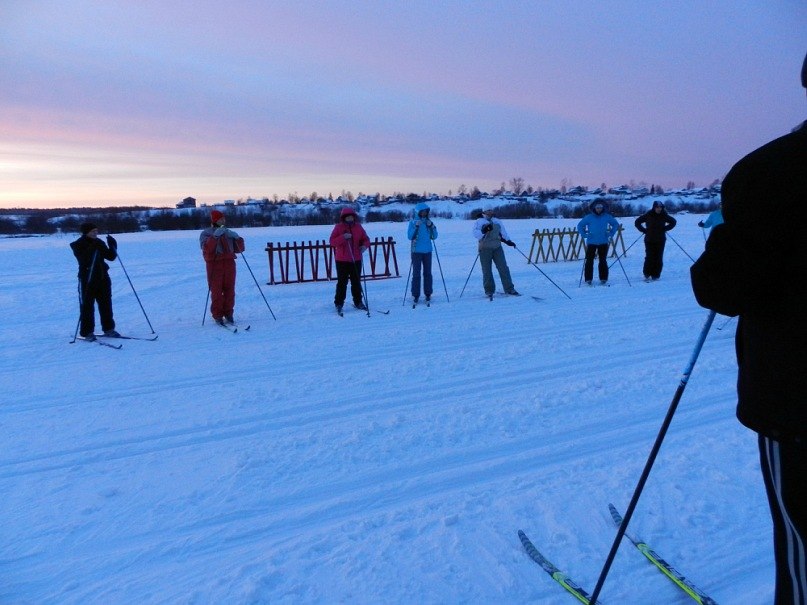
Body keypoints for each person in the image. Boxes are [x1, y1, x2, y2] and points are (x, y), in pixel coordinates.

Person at [690, 52, 807, 605]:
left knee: (804, 537)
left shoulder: (772, 171)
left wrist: (725, 237)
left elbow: (722, 288)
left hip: (797, 400)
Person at [70, 222, 120, 340]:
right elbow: (84, 259)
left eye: (96, 231)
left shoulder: (99, 242)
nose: (95, 233)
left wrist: (113, 246)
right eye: (93, 231)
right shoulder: (77, 244)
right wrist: (93, 246)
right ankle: (87, 332)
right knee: (87, 306)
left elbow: (110, 257)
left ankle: (109, 329)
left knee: (106, 304)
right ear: (86, 232)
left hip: (103, 278)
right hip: (88, 279)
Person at [200, 210, 244, 326]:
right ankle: (218, 315)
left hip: (229, 263)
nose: (223, 221)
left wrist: (237, 238)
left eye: (224, 219)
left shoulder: (227, 232)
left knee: (230, 291)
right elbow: (207, 249)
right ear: (215, 220)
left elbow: (240, 249)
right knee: (216, 291)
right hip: (214, 265)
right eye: (220, 219)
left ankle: (229, 313)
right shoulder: (206, 233)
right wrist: (214, 237)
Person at [329, 207, 371, 313]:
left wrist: (364, 246)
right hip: (342, 260)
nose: (349, 218)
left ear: (354, 217)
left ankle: (358, 302)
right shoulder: (338, 227)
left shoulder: (358, 227)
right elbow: (332, 241)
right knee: (342, 282)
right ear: (343, 218)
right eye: (347, 217)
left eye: (351, 216)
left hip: (356, 259)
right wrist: (343, 237)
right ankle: (339, 303)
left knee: (356, 282)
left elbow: (366, 239)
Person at [472, 207, 519, 298]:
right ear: (484, 212)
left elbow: (503, 233)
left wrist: (508, 241)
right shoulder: (479, 221)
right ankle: (489, 291)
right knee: (487, 270)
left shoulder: (497, 221)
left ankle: (509, 288)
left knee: (503, 268)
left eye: (491, 210)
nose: (490, 212)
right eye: (488, 210)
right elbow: (475, 234)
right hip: (485, 248)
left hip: (497, 247)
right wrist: (483, 230)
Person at [577, 199, 620, 285]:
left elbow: (615, 224)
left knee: (603, 260)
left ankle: (603, 278)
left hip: (603, 242)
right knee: (589, 261)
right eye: (597, 207)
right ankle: (588, 279)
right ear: (594, 208)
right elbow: (580, 225)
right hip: (591, 242)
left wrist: (611, 233)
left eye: (600, 207)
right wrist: (585, 234)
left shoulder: (607, 216)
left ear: (603, 208)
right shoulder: (589, 217)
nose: (599, 209)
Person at [634, 200, 677, 281]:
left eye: (660, 207)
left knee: (658, 257)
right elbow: (637, 222)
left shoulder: (664, 215)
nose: (659, 209)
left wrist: (665, 228)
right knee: (649, 257)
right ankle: (647, 273)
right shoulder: (648, 214)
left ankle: (656, 274)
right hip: (649, 239)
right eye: (657, 207)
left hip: (660, 240)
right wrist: (644, 230)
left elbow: (673, 222)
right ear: (654, 207)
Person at [407, 202, 438, 304]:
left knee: (428, 273)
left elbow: (435, 236)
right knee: (416, 274)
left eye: (426, 212)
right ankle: (415, 294)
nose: (424, 213)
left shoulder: (428, 222)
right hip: (416, 251)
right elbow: (409, 236)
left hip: (428, 251)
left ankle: (428, 293)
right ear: (418, 212)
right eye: (422, 212)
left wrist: (432, 226)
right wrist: (415, 227)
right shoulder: (412, 222)